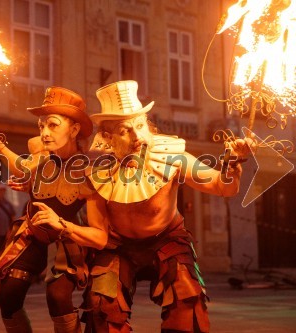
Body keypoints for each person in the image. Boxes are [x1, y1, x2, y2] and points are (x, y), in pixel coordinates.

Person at [82, 80, 255, 332]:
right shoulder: (96, 171)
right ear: (107, 138)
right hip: (118, 245)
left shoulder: (171, 157)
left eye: (140, 125)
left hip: (168, 240)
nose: (137, 137)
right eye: (124, 130)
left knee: (187, 306)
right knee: (102, 309)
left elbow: (222, 186)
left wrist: (231, 165)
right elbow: (97, 234)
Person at [0, 86, 108, 332]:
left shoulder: (90, 172)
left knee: (57, 298)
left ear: (75, 129)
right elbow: (21, 166)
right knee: (8, 295)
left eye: (53, 125)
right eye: (41, 126)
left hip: (66, 240)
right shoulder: (41, 159)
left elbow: (100, 237)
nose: (45, 133)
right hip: (32, 234)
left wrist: (62, 224)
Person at [0, 183, 15, 255]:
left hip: (6, 233)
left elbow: (13, 218)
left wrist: (11, 231)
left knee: (4, 252)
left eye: (3, 190)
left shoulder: (8, 204)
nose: (1, 192)